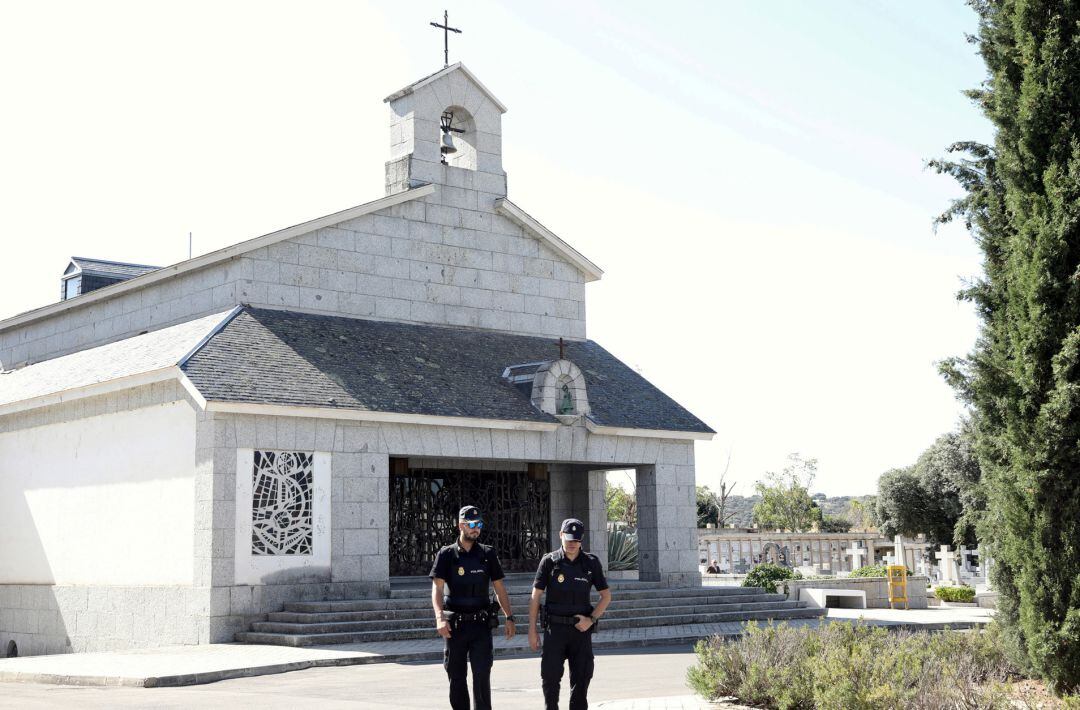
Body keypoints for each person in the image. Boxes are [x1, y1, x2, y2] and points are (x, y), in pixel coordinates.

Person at [431, 505, 516, 710]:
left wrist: (509, 617)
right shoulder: (446, 554)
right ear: (461, 525)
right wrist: (439, 617)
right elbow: (437, 589)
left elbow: (499, 588)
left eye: (479, 525)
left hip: (481, 625)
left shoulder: (487, 554)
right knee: (456, 676)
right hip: (455, 627)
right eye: (471, 525)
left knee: (481, 675)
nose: (476, 529)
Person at [528, 518, 612, 710]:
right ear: (560, 536)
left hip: (580, 632)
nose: (572, 544)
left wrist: (591, 620)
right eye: (568, 539)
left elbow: (606, 596)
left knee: (581, 682)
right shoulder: (549, 562)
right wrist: (531, 630)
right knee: (550, 680)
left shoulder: (591, 563)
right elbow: (535, 597)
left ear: (581, 539)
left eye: (576, 540)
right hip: (554, 631)